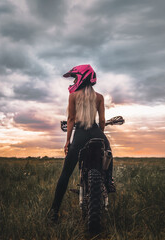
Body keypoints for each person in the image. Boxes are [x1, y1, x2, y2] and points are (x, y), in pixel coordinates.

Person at [48, 64, 115, 223]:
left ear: (82, 77)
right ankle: (109, 181)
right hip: (95, 131)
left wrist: (68, 142)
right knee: (109, 153)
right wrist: (101, 135)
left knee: (65, 173)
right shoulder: (99, 97)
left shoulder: (73, 96)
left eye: (77, 77)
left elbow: (71, 120)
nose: (75, 80)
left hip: (80, 134)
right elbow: (102, 121)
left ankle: (53, 213)